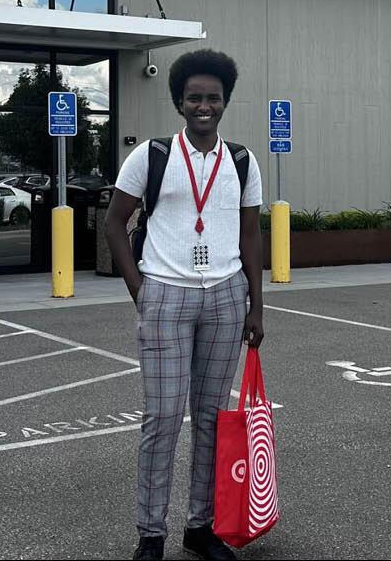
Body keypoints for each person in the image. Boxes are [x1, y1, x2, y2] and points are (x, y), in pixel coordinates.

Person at [104, 48, 264, 561]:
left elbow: (251, 233)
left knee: (213, 418)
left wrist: (256, 306)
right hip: (165, 295)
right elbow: (114, 222)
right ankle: (151, 534)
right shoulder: (150, 156)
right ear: (179, 102)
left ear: (225, 102)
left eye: (213, 98)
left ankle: (201, 527)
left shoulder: (241, 160)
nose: (204, 106)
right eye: (194, 97)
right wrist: (140, 289)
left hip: (224, 297)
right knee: (164, 417)